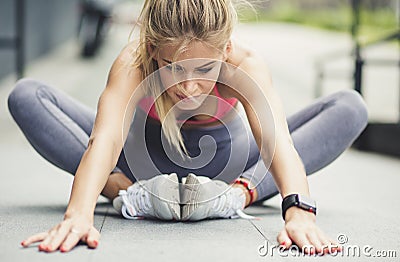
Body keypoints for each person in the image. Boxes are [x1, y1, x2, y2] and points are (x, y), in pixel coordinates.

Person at [8, 0, 368, 255]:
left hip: (233, 173)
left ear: (225, 50)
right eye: (174, 67)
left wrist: (300, 212)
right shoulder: (133, 62)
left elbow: (277, 141)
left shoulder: (245, 65)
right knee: (26, 95)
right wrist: (79, 215)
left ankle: (232, 198)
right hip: (135, 170)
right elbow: (104, 140)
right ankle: (129, 197)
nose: (189, 87)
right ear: (152, 48)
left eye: (204, 70)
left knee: (349, 106)